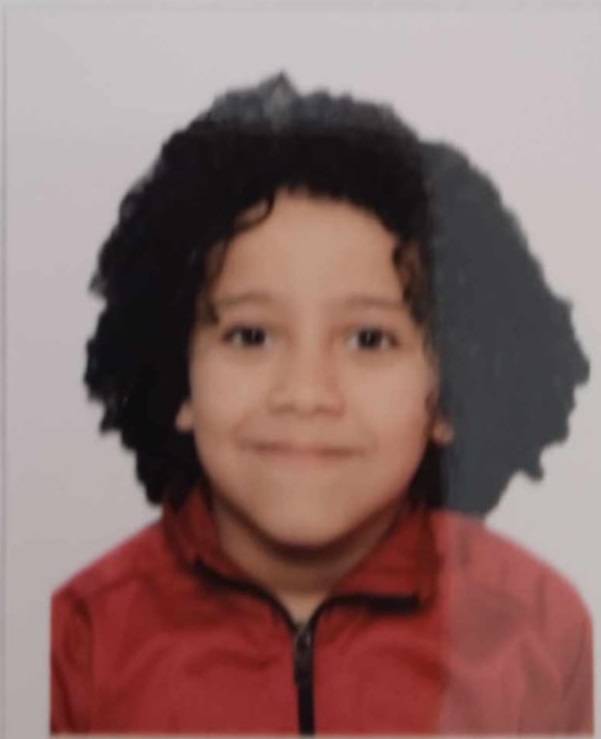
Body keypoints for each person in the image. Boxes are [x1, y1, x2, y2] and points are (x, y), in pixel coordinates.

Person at [50, 73, 593, 734]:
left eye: (369, 339)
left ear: (452, 394)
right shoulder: (84, 635)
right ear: (176, 378)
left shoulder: (535, 635)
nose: (305, 393)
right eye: (250, 336)